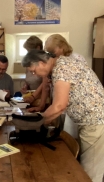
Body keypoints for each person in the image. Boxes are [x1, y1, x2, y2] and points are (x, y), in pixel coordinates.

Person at [22, 49, 104, 182]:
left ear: (42, 63)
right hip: (91, 120)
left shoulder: (62, 68)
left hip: (95, 121)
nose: (34, 74)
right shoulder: (61, 64)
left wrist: (37, 123)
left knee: (89, 173)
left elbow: (59, 106)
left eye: (33, 70)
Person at [21, 36, 50, 112]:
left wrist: (33, 97)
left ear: (38, 48)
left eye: (29, 51)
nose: (28, 54)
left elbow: (45, 85)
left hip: (42, 100)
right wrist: (25, 86)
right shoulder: (30, 61)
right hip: (32, 99)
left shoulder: (45, 62)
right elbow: (27, 79)